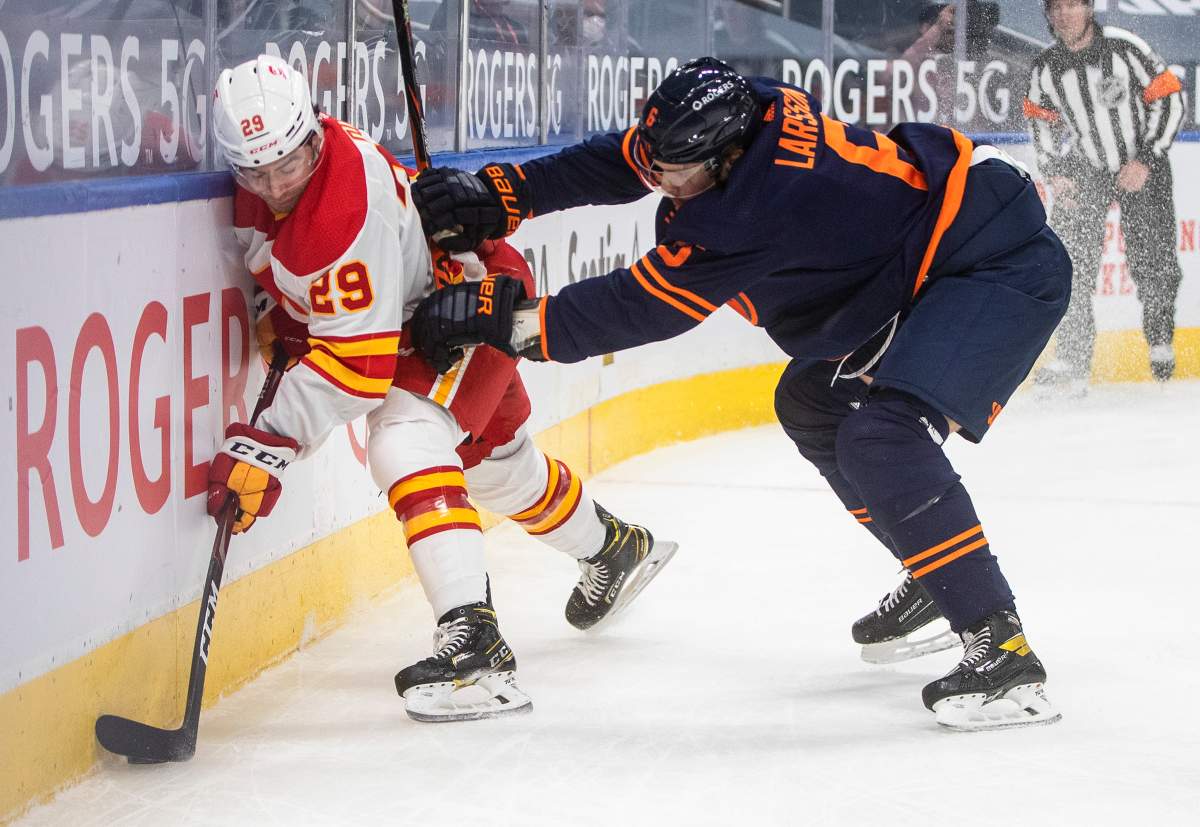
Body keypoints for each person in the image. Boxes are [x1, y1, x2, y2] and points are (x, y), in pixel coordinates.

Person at [407, 57, 1071, 731]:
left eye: (678, 175)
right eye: (661, 166)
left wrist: (506, 322)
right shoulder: (742, 114)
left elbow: (637, 307)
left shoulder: (762, 203)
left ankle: (1004, 653)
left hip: (992, 261)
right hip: (923, 256)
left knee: (883, 435)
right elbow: (624, 160)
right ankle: (937, 574)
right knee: (812, 402)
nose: (662, 184)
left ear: (726, 160)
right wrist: (506, 191)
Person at [207, 55, 676, 723]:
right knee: (494, 472)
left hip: (459, 314)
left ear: (314, 131)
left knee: (402, 437)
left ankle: (475, 647)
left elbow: (356, 373)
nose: (278, 182)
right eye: (257, 170)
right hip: (433, 303)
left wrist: (267, 441)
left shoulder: (338, 210)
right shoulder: (288, 166)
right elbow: (299, 280)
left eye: (290, 161)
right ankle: (615, 548)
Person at [1026, 0, 1184, 392]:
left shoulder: (1124, 47)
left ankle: (1160, 339)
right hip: (1087, 169)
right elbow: (1038, 120)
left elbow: (1170, 98)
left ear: (1089, 8)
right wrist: (1057, 174)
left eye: (1073, 5)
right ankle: (1074, 357)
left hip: (1142, 163)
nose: (1064, 15)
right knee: (1070, 263)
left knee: (1154, 257)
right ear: (1048, 14)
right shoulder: (1047, 65)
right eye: (1056, 7)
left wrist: (1145, 159)